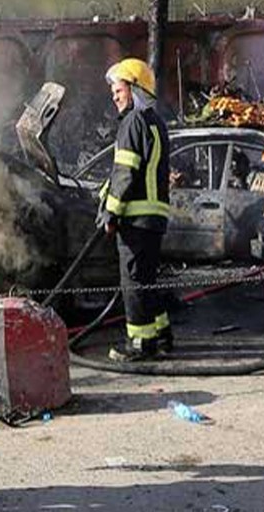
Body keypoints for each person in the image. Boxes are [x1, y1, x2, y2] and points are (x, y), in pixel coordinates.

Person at [97, 58, 173, 362]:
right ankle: (162, 335)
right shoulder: (155, 122)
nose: (114, 96)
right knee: (147, 278)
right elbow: (130, 172)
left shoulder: (131, 122)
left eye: (119, 89)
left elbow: (126, 172)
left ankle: (141, 343)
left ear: (136, 89)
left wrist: (111, 213)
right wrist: (105, 194)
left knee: (134, 282)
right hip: (154, 218)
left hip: (136, 218)